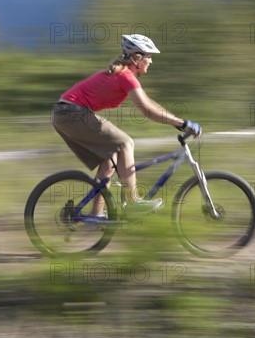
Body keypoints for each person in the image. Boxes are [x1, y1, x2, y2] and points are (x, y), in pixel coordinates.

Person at [52, 34, 202, 218]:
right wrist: (183, 124)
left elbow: (149, 103)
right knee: (125, 143)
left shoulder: (124, 74)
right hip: (71, 113)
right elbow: (147, 110)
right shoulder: (125, 76)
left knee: (109, 162)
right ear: (137, 58)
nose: (151, 61)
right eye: (149, 57)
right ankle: (133, 202)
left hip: (66, 114)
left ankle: (95, 215)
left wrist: (178, 122)